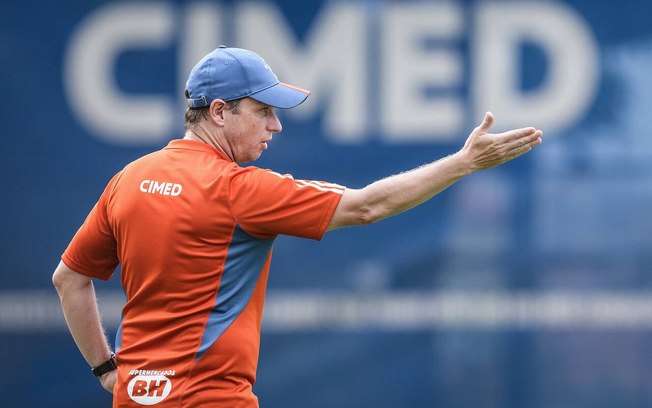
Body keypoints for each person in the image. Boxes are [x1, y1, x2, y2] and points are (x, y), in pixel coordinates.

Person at [52, 45, 542, 407]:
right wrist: (463, 163)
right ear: (219, 112)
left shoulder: (129, 180)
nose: (276, 125)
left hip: (136, 398)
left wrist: (106, 369)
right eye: (264, 111)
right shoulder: (239, 189)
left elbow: (69, 279)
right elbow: (367, 207)